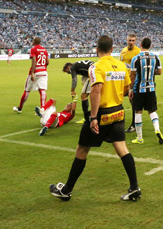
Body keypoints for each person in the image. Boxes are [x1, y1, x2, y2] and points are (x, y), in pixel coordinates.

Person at [49, 35, 140, 202]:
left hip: (102, 113)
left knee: (82, 150)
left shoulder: (96, 67)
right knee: (122, 149)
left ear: (97, 49)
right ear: (112, 49)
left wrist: (93, 118)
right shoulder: (121, 66)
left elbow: (96, 91)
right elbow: (127, 89)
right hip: (118, 112)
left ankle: (67, 190)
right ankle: (134, 188)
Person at [129, 37, 163, 145]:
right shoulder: (156, 57)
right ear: (150, 45)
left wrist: (130, 89)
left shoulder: (136, 59)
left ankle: (140, 138)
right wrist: (150, 72)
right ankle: (157, 129)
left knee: (138, 111)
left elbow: (132, 76)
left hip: (139, 89)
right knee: (152, 111)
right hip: (151, 88)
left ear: (140, 44)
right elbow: (159, 72)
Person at [13, 37, 49, 113]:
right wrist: (43, 67)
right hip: (43, 71)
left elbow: (34, 60)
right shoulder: (44, 50)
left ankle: (20, 108)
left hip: (35, 71)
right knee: (42, 90)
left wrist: (32, 73)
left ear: (34, 42)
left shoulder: (33, 49)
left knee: (27, 90)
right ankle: (43, 109)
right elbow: (48, 62)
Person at [120, 33, 140, 133]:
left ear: (135, 41)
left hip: (133, 82)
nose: (131, 42)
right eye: (129, 40)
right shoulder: (123, 51)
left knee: (133, 103)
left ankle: (134, 125)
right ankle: (119, 121)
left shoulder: (138, 52)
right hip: (122, 82)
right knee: (117, 100)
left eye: (133, 40)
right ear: (126, 40)